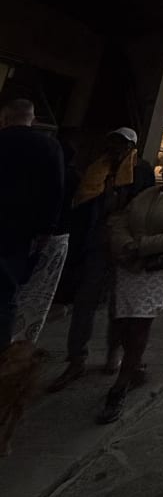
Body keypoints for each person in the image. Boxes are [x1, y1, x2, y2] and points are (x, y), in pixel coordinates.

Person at [99, 148, 163, 423]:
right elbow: (121, 220)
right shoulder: (147, 194)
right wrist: (124, 245)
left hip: (159, 266)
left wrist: (142, 246)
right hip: (130, 263)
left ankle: (122, 382)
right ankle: (132, 365)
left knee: (140, 321)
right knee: (122, 318)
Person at [48, 127, 139, 391]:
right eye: (113, 142)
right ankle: (76, 358)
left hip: (123, 247)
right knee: (84, 303)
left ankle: (114, 352)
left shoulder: (138, 172)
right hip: (94, 246)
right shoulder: (95, 170)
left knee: (118, 305)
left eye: (122, 144)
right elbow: (81, 207)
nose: (116, 148)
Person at [0, 99, 65, 350]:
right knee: (6, 295)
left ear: (5, 118)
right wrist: (46, 230)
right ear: (33, 118)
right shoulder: (49, 146)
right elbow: (55, 191)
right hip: (19, 234)